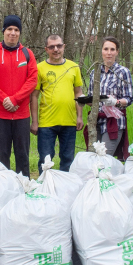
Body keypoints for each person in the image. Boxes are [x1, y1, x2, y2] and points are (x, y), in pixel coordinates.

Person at [0, 14, 38, 176]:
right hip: (0, 115)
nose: (12, 33)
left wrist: (15, 99)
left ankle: (24, 188)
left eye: (16, 30)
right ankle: (3, 189)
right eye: (9, 29)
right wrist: (4, 99)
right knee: (2, 156)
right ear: (3, 31)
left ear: (19, 33)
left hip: (21, 115)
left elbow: (32, 80)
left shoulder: (28, 54)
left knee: (23, 156)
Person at [30, 34, 84, 173]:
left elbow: (78, 92)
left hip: (69, 121)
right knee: (46, 160)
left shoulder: (73, 67)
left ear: (63, 47)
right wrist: (35, 122)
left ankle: (65, 190)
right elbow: (34, 96)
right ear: (46, 49)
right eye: (52, 47)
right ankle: (45, 190)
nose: (56, 49)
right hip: (46, 123)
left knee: (67, 159)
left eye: (59, 46)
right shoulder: (39, 68)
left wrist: (79, 116)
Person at [87, 36, 133, 158]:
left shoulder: (123, 72)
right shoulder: (95, 72)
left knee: (104, 157)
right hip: (96, 121)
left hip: (114, 122)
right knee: (93, 157)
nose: (109, 53)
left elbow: (129, 98)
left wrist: (115, 102)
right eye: (106, 49)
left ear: (117, 52)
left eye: (112, 49)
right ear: (101, 51)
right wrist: (85, 100)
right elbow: (91, 98)